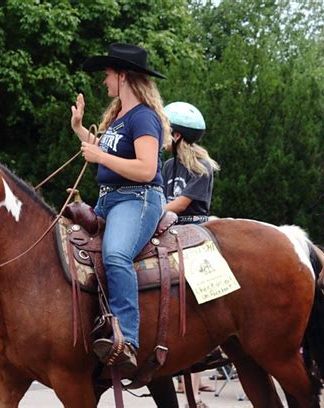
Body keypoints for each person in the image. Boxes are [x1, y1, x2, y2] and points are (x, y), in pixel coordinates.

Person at [70, 43, 171, 371]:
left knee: (115, 255)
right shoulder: (118, 117)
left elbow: (145, 169)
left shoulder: (144, 117)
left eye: (108, 74)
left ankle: (127, 339)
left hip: (138, 199)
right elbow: (107, 150)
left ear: (123, 76)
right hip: (109, 200)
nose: (104, 81)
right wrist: (79, 130)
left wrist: (99, 156)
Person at [162, 101, 219, 406]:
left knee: (205, 291)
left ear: (178, 136)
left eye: (165, 130)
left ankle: (211, 341)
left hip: (194, 229)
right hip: (166, 227)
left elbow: (181, 204)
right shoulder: (168, 166)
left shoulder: (202, 166)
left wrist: (151, 212)